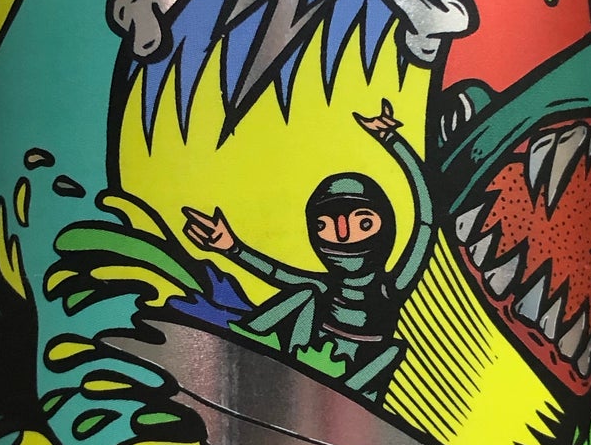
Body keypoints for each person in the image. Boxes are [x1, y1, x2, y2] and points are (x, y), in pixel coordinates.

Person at [182, 101, 433, 402]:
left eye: (363, 223)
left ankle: (350, 400)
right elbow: (278, 274)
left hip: (357, 375)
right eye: (327, 225)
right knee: (304, 294)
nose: (344, 235)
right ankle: (243, 345)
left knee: (393, 350)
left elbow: (427, 217)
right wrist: (231, 248)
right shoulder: (323, 287)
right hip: (307, 359)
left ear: (385, 225)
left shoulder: (392, 286)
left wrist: (392, 139)